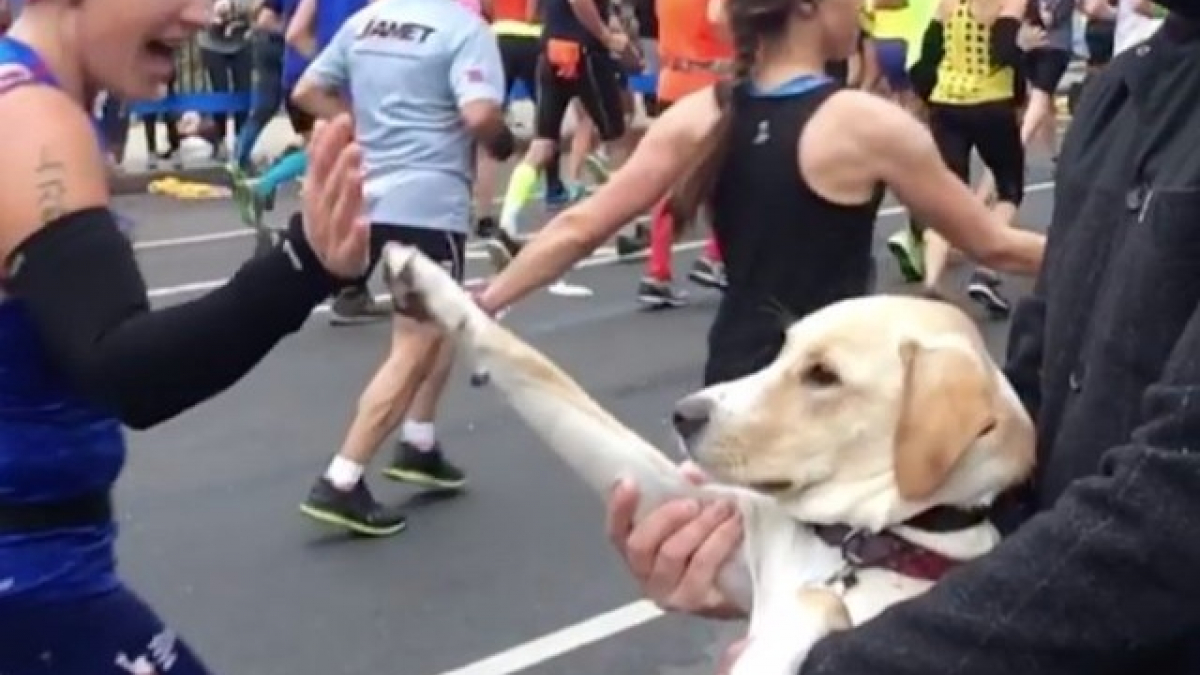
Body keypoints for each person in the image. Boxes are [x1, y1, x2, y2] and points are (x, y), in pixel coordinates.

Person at [608, 10, 1200, 675]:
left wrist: (841, 659)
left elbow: (1172, 513)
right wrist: (772, 557)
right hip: (822, 398)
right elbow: (1028, 439)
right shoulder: (1116, 99)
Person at [0, 0, 371, 669]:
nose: (201, 14)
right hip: (32, 585)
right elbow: (122, 366)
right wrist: (302, 265)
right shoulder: (31, 122)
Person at [476, 0, 1042, 389]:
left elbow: (583, 226)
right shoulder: (866, 124)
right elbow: (995, 245)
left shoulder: (701, 116)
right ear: (805, 6)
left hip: (734, 382)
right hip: (826, 388)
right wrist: (1117, 255)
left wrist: (484, 303)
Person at [292, 0, 513, 535]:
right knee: (414, 342)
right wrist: (504, 143)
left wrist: (364, 125)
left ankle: (419, 440)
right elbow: (480, 115)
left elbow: (306, 92)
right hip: (428, 204)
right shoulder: (464, 28)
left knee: (440, 320)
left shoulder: (367, 20)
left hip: (372, 196)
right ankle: (342, 479)